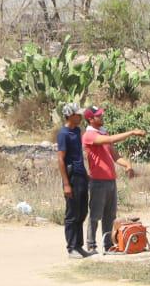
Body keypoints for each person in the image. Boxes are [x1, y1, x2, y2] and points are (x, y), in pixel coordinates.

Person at [80, 107, 145, 255]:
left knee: (110, 216)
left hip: (110, 181)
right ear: (90, 119)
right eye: (98, 116)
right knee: (95, 215)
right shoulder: (89, 135)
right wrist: (131, 132)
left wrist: (127, 165)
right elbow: (110, 140)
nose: (102, 116)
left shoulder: (103, 133)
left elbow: (115, 156)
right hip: (98, 182)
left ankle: (108, 245)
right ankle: (91, 245)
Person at [55, 103, 90, 258]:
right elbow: (61, 159)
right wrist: (66, 184)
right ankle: (71, 248)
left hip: (81, 175)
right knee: (72, 213)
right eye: (78, 114)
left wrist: (85, 173)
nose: (80, 117)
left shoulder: (77, 130)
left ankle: (79, 246)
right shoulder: (63, 134)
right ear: (70, 115)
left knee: (82, 212)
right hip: (72, 177)